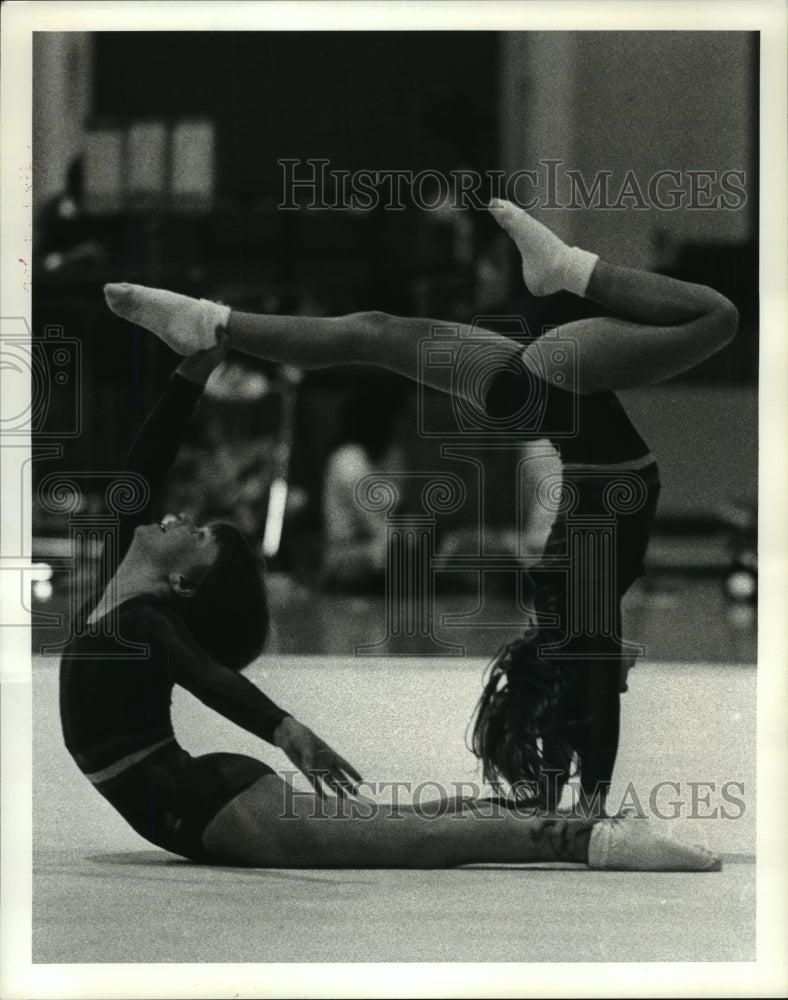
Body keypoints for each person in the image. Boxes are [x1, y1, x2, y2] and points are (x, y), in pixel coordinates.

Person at [86, 200, 737, 868]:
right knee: (374, 333)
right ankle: (209, 321)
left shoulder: (580, 586)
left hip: (562, 400)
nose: (179, 521)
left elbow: (594, 686)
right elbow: (592, 685)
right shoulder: (572, 591)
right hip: (560, 404)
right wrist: (580, 786)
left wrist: (594, 799)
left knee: (714, 317)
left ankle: (208, 324)